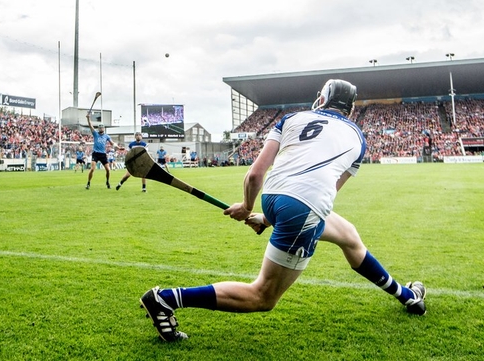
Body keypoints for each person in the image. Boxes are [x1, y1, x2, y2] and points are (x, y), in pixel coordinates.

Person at [139, 79, 426, 342]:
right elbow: (327, 192)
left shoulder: (292, 118)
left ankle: (408, 296)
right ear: (349, 109)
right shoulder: (358, 137)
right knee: (263, 296)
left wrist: (255, 210)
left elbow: (254, 176)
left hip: (274, 198)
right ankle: (165, 299)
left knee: (349, 236)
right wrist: (259, 213)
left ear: (322, 100)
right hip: (304, 207)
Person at [85, 114, 118, 189]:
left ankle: (107, 181)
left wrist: (118, 147)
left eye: (102, 127)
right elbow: (90, 125)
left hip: (103, 154)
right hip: (95, 154)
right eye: (100, 128)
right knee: (92, 169)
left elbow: (112, 143)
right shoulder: (95, 134)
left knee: (108, 170)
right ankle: (88, 183)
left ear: (104, 128)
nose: (101, 128)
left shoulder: (106, 136)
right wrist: (88, 118)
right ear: (98, 129)